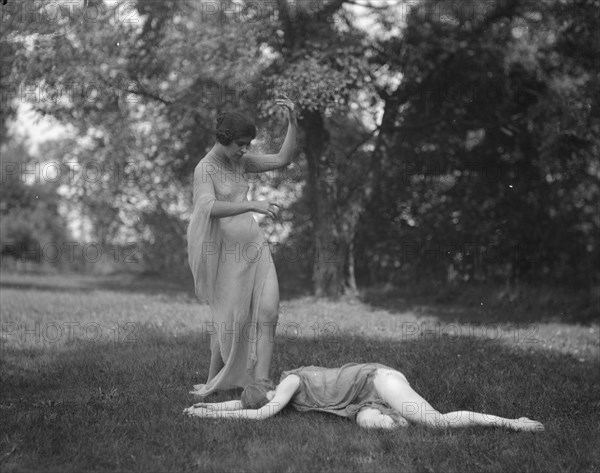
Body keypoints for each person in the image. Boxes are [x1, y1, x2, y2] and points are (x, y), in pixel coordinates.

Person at [187, 96, 297, 397]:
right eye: (240, 144)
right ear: (223, 139)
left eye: (248, 144)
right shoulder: (205, 169)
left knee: (269, 311)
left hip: (253, 245)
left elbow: (282, 159)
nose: (245, 150)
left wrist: (292, 123)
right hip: (226, 252)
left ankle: (261, 382)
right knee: (230, 321)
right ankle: (217, 379)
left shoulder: (242, 162)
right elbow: (207, 208)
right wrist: (252, 204)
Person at [183, 363, 545, 432]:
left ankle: (512, 422)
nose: (272, 407)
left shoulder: (290, 382)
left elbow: (260, 414)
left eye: (268, 401)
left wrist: (212, 418)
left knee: (434, 421)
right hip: (359, 404)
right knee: (372, 424)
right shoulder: (280, 396)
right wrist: (208, 407)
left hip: (378, 380)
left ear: (271, 393)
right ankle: (394, 418)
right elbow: (250, 406)